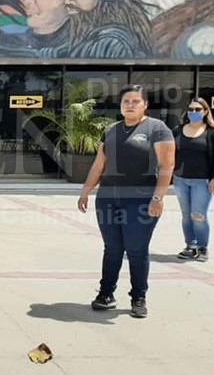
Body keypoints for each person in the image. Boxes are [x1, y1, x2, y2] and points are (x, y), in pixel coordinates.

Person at [78, 85, 175, 318]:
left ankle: (138, 297)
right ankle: (106, 293)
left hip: (141, 200)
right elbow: (99, 164)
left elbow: (167, 165)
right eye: (126, 101)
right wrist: (86, 190)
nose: (130, 105)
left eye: (135, 101)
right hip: (108, 199)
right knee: (112, 249)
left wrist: (158, 198)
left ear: (145, 105)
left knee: (136, 249)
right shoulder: (111, 130)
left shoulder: (157, 129)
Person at [172, 97, 214, 262]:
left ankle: (202, 247)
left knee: (198, 215)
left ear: (205, 112)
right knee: (186, 215)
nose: (193, 112)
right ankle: (190, 246)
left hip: (202, 181)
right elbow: (169, 152)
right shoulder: (177, 130)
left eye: (198, 110)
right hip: (180, 180)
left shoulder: (213, 132)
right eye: (191, 109)